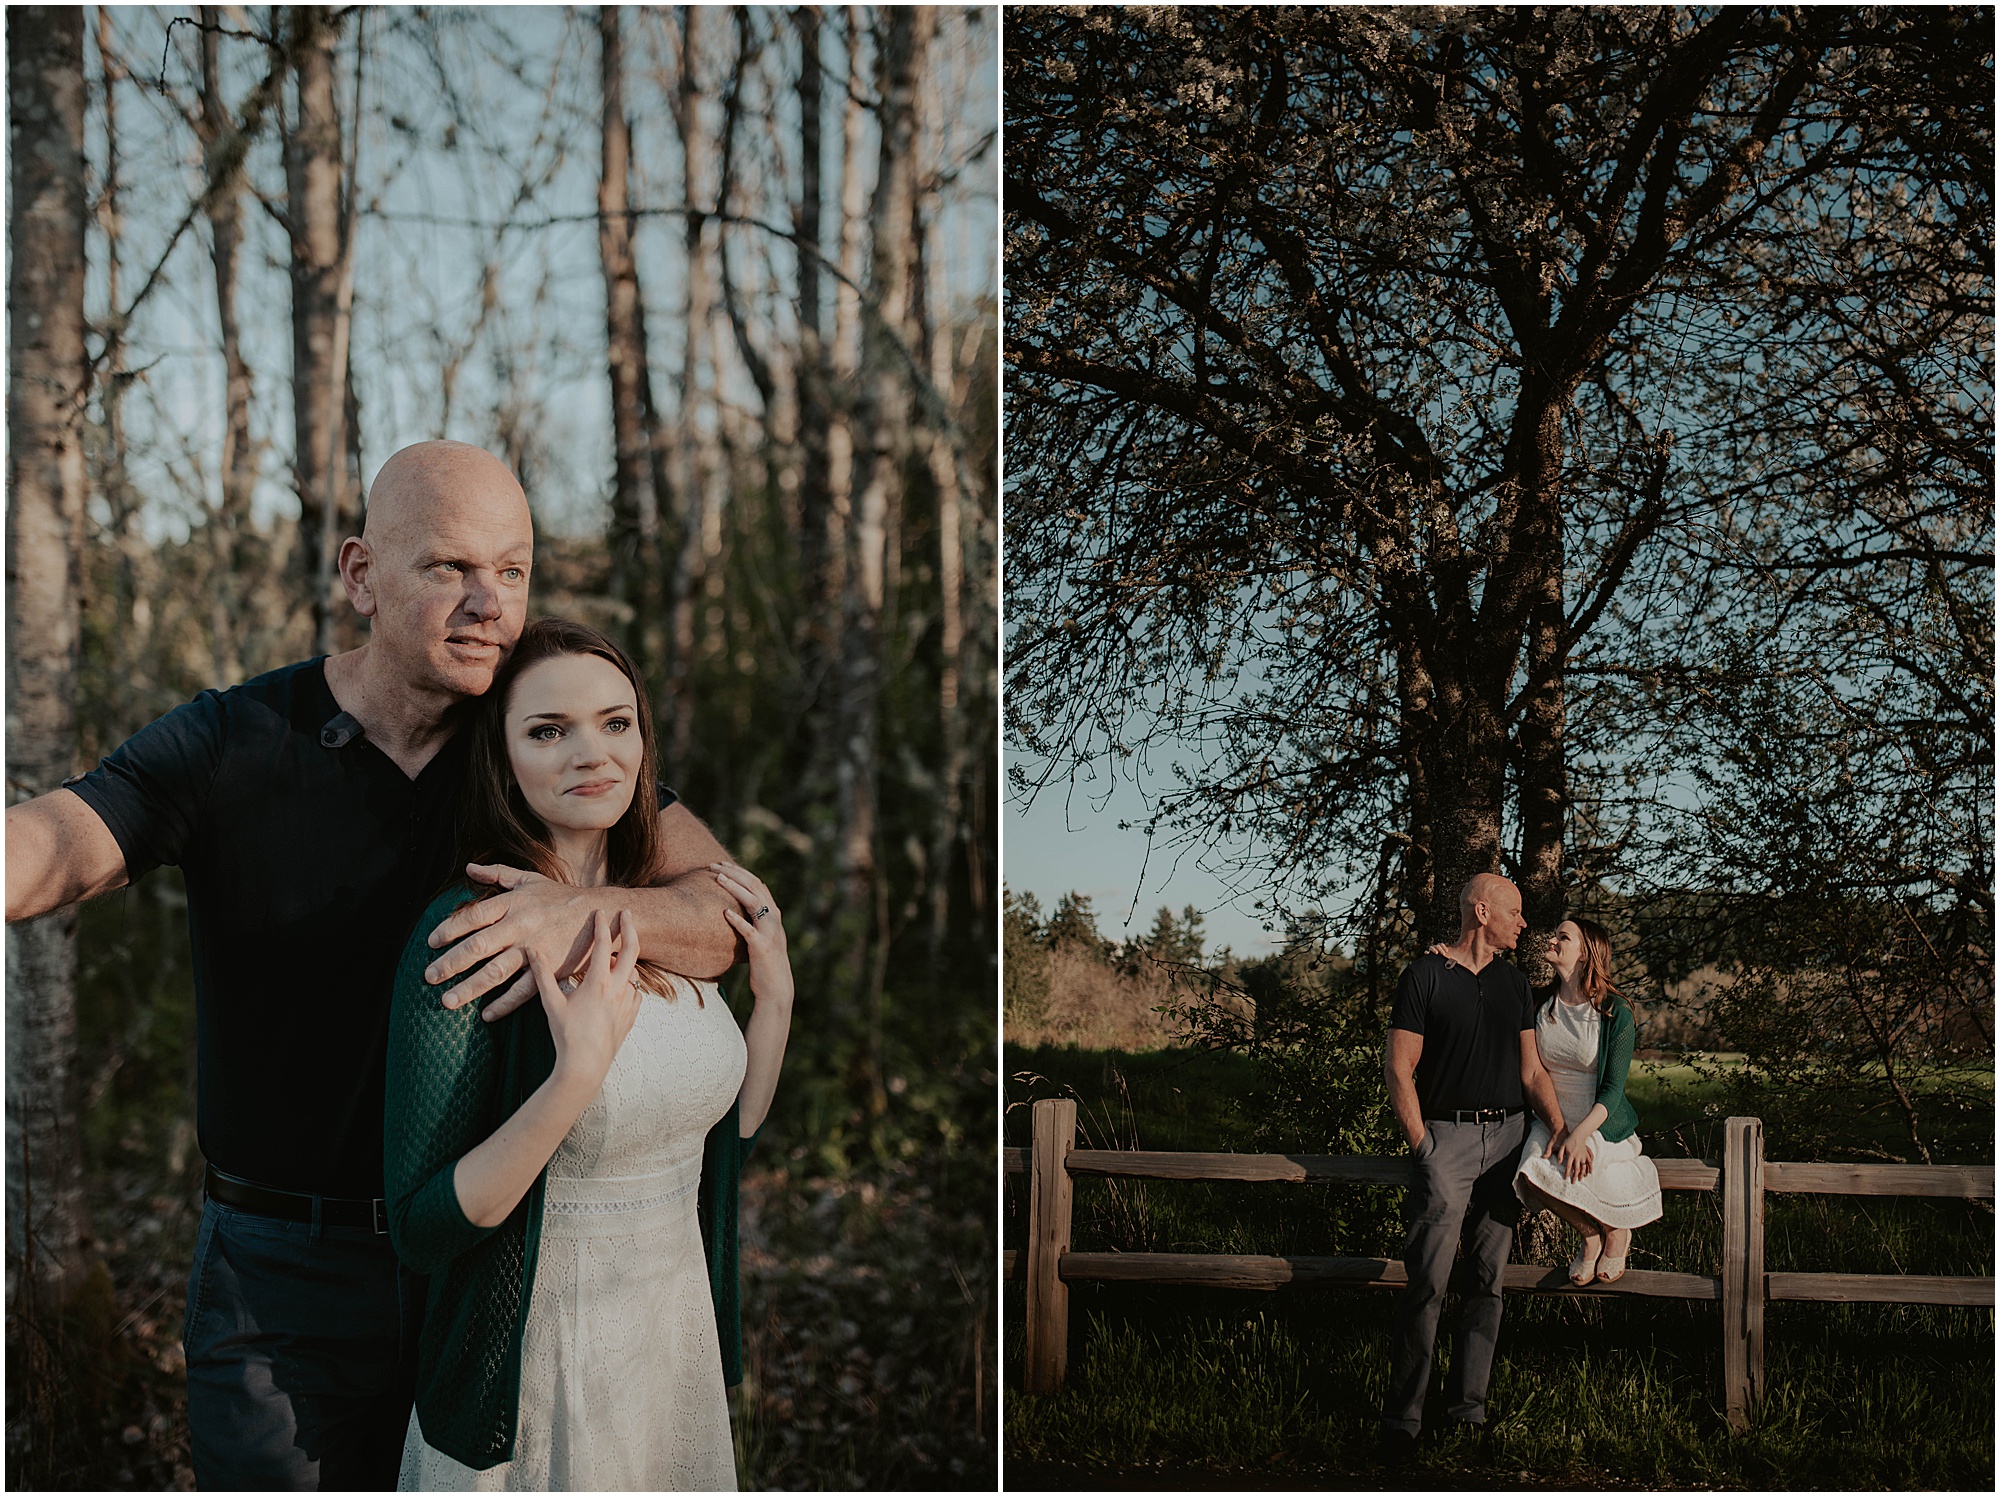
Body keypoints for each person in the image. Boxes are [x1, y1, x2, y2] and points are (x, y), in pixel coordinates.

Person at [4, 441, 742, 1490]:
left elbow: (724, 913)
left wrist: (577, 910)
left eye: (513, 570)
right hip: (283, 1276)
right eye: (449, 568)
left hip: (483, 1259)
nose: (490, 601)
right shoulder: (235, 738)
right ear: (360, 576)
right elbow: (56, 844)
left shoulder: (531, 745)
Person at [385, 618, 792, 1491]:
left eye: (616, 722)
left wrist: (777, 1000)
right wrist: (573, 1078)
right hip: (539, 1358)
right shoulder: (471, 932)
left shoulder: (669, 916)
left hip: (668, 1338)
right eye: (547, 730)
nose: (590, 753)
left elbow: (728, 1133)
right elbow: (422, 1226)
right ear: (500, 758)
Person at [1379, 873, 1567, 1464]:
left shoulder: (1517, 984)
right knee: (1428, 1283)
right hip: (1447, 1141)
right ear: (1482, 912)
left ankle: (1467, 1411)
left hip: (1508, 1140)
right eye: (1514, 911)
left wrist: (1561, 1130)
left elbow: (1533, 1072)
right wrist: (1422, 1145)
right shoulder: (1425, 975)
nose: (1524, 922)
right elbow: (1398, 1069)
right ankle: (1403, 1419)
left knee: (1486, 1283)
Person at [1511, 917, 1663, 1284]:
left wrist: (1580, 1135)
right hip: (1552, 1117)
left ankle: (1616, 1230)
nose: (1553, 940)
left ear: (1585, 954)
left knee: (1582, 1162)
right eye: (1555, 933)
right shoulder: (1538, 1003)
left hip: (1599, 1120)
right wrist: (1446, 956)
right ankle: (1590, 1235)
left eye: (1562, 936)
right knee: (1530, 1175)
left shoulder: (1615, 1011)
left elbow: (1612, 1089)